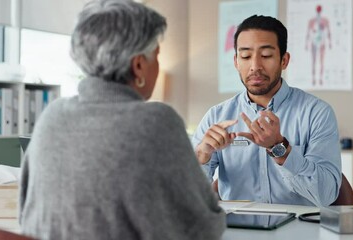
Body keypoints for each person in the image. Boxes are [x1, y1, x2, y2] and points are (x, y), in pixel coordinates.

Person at [19, 1, 225, 239]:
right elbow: (203, 226)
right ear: (139, 65)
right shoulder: (157, 121)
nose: (158, 66)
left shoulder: (50, 117)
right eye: (156, 56)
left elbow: (26, 215)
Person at [192, 15, 341, 207]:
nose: (255, 66)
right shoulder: (216, 116)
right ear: (236, 61)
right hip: (237, 232)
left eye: (266, 56)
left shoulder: (317, 113)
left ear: (284, 60)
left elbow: (326, 195)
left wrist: (280, 149)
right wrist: (202, 157)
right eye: (245, 56)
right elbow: (187, 198)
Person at [305, 5, 332, 86]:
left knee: (321, 61)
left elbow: (328, 32)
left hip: (322, 42)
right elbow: (308, 32)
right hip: (314, 41)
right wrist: (306, 43)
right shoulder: (312, 21)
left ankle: (320, 79)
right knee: (314, 61)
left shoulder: (325, 20)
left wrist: (330, 42)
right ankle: (313, 79)